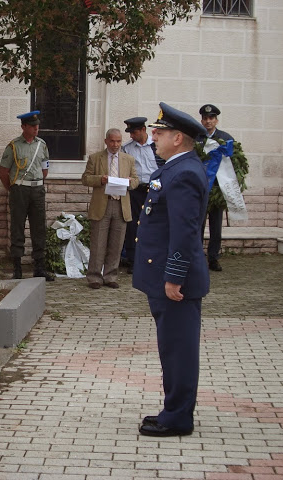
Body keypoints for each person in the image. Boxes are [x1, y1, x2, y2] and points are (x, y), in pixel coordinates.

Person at [133, 102, 209, 437]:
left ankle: (178, 418)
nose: (153, 138)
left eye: (159, 133)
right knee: (172, 348)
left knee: (178, 350)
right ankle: (172, 410)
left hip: (175, 282)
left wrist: (174, 277)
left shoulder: (185, 173)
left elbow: (185, 232)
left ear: (178, 138)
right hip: (164, 278)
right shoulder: (175, 169)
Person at [0, 111, 54, 281]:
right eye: (33, 126)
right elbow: (3, 172)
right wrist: (13, 189)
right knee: (17, 227)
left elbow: (45, 169)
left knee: (39, 228)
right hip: (20, 190)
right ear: (24, 127)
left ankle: (39, 267)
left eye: (37, 125)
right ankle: (17, 268)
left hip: (37, 190)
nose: (37, 128)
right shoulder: (13, 146)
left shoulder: (42, 145)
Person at [81, 128, 139, 289]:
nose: (115, 144)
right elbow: (85, 179)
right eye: (112, 141)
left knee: (116, 244)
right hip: (102, 204)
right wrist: (101, 179)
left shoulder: (128, 159)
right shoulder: (95, 158)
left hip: (121, 205)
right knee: (98, 244)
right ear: (106, 141)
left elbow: (136, 180)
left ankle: (111, 276)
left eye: (119, 141)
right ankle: (94, 277)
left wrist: (129, 181)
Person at [121, 117, 164, 274]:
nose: (131, 135)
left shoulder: (156, 144)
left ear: (143, 130)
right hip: (136, 190)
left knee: (154, 224)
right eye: (130, 132)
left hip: (155, 188)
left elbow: (163, 168)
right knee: (133, 226)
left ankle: (153, 259)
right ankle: (133, 260)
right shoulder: (126, 148)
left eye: (134, 132)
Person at [195, 104, 234, 272]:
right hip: (201, 189)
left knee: (216, 228)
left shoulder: (225, 138)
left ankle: (213, 258)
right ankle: (197, 257)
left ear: (216, 120)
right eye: (205, 118)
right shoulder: (196, 138)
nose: (208, 121)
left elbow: (234, 164)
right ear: (202, 120)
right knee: (198, 226)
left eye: (211, 118)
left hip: (218, 190)